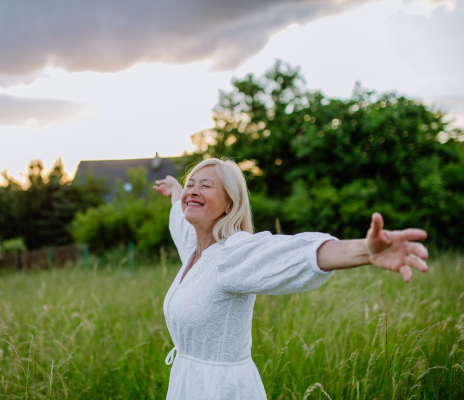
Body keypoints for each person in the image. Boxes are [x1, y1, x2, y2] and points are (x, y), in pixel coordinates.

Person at [152, 158, 428, 400]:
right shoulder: (193, 249)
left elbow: (289, 254)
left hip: (220, 389)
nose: (194, 190)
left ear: (229, 204)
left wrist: (364, 250)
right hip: (187, 382)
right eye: (191, 183)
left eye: (206, 185)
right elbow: (180, 216)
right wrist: (177, 191)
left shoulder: (232, 255)